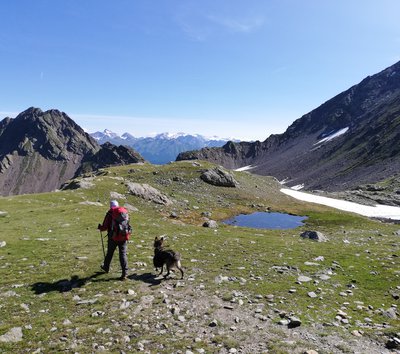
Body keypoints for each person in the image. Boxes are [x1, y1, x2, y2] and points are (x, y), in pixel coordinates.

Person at [98, 200, 129, 281]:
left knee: (110, 253)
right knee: (123, 254)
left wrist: (100, 227)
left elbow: (104, 227)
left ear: (110, 206)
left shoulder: (110, 213)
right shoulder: (124, 213)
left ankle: (106, 267)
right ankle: (124, 273)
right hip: (123, 236)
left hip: (113, 237)